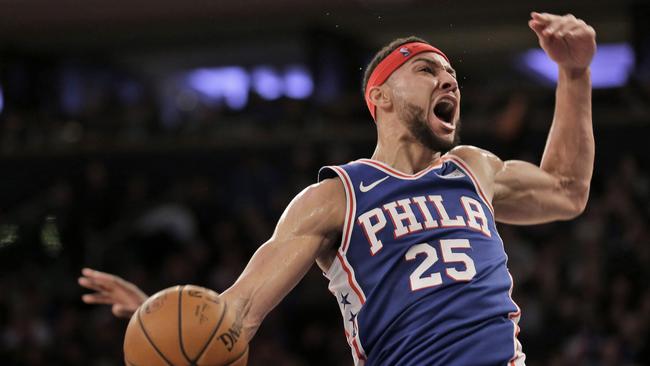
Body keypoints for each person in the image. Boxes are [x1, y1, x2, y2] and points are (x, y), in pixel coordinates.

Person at [79, 12, 596, 365]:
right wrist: (166, 317)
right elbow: (239, 311)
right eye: (427, 70)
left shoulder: (472, 169)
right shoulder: (336, 196)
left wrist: (573, 74)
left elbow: (567, 189)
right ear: (381, 96)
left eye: (452, 75)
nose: (449, 82)